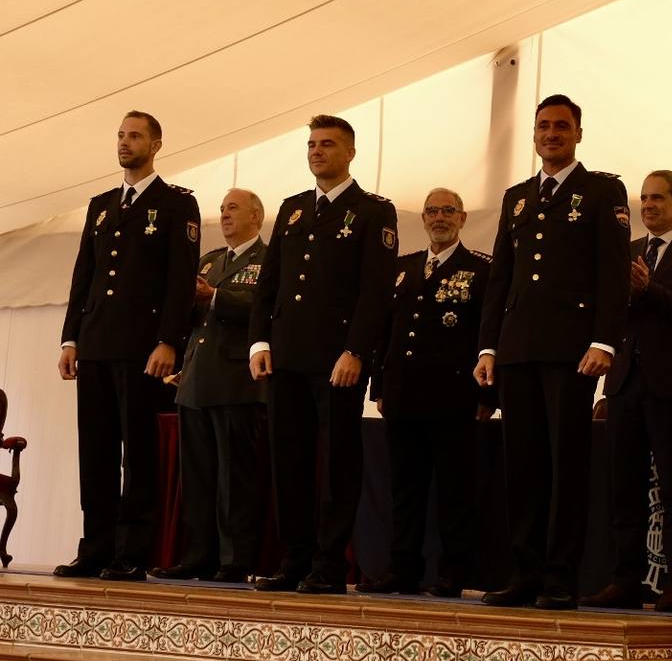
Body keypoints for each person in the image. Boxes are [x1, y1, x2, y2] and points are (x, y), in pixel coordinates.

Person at [474, 94, 629, 610]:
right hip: (517, 347)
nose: (552, 134)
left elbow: (613, 273)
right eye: (543, 126)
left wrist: (604, 341)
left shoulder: (602, 191)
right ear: (534, 134)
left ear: (578, 133)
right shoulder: (517, 197)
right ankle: (525, 571)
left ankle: (560, 576)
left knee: (566, 465)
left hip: (571, 349)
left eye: (562, 126)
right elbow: (501, 277)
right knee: (523, 464)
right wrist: (488, 346)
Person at [248, 115, 398, 594]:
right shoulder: (293, 209)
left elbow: (376, 291)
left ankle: (330, 565)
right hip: (287, 356)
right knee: (288, 460)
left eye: (327, 144)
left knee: (337, 464)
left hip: (337, 361)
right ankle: (294, 559)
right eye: (312, 144)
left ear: (350, 152)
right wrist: (259, 341)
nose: (317, 151)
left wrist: (356, 350)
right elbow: (269, 283)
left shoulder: (372, 211)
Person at [55, 111, 201, 581]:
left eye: (134, 136)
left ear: (155, 145)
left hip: (143, 348)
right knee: (95, 451)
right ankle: (95, 548)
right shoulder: (100, 205)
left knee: (138, 453)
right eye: (120, 135)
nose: (124, 142)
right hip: (96, 343)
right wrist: (71, 337)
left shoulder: (176, 203)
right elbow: (84, 275)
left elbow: (181, 280)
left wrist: (169, 341)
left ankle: (132, 552)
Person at [581, 170, 672, 614]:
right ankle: (626, 579)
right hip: (625, 383)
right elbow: (608, 311)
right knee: (624, 486)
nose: (648, 206)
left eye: (658, 198)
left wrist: (649, 289)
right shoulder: (627, 251)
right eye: (644, 199)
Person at [360, 188, 494, 597]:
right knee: (405, 489)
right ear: (422, 218)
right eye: (432, 211)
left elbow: (490, 334)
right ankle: (402, 569)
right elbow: (385, 332)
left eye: (448, 211)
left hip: (455, 398)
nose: (440, 218)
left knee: (455, 492)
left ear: (463, 218)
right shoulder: (402, 268)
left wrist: (490, 396)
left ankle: (453, 572)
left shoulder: (482, 269)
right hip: (404, 395)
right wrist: (380, 386)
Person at [152, 189, 269, 583]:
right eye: (221, 209)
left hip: (236, 381)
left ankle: (235, 559)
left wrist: (215, 295)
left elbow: (265, 308)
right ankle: (197, 555)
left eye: (233, 208)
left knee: (234, 478)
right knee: (197, 476)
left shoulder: (269, 259)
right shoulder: (209, 260)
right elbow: (190, 316)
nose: (224, 215)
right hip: (196, 381)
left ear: (256, 216)